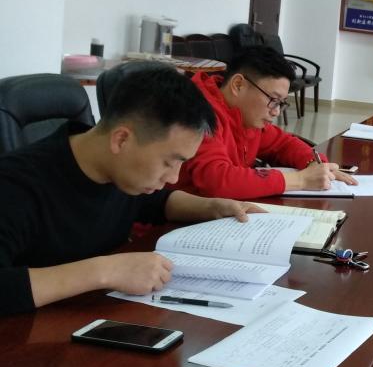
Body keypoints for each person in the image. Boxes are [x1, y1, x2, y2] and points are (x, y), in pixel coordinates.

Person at [0, 66, 263, 314]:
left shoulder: (119, 170)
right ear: (121, 139)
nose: (173, 177)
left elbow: (156, 202)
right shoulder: (15, 185)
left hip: (94, 315)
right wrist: (105, 271)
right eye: (169, 162)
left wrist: (212, 206)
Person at [173, 46, 356, 200]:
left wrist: (316, 165)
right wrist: (301, 180)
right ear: (238, 85)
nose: (276, 112)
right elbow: (217, 181)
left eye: (281, 103)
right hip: (176, 223)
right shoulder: (198, 111)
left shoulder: (246, 116)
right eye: (273, 100)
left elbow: (283, 143)